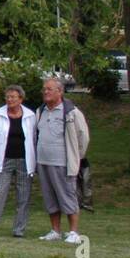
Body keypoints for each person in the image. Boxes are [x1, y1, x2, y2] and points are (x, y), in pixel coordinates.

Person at [35, 77, 90, 244]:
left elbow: (83, 137)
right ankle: (55, 230)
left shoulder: (71, 112)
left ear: (60, 91)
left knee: (67, 196)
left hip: (63, 163)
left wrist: (76, 157)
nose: (46, 92)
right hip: (43, 162)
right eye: (44, 89)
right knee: (50, 198)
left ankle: (73, 232)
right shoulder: (41, 111)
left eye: (49, 89)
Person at [0, 85, 35, 238]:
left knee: (23, 196)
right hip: (3, 161)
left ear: (21, 99)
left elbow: (33, 138)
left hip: (24, 161)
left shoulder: (30, 116)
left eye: (13, 97)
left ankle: (19, 230)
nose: (10, 100)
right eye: (8, 97)